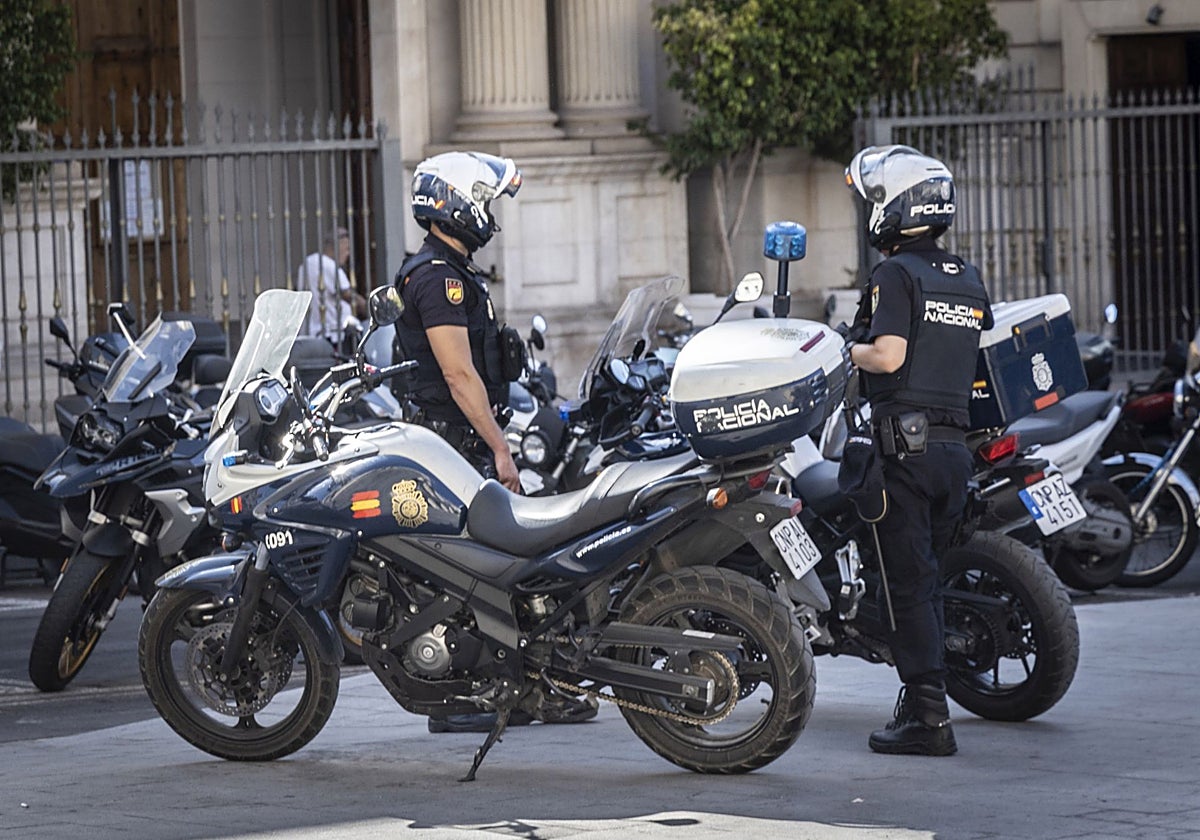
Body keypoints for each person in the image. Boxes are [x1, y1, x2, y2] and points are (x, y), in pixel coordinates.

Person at [393, 150, 598, 733]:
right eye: (482, 201)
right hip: (452, 445)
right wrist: (501, 450)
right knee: (480, 569)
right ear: (451, 204)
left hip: (464, 440)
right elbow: (458, 376)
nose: (487, 214)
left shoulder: (454, 274)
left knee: (509, 565)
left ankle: (531, 684)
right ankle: (470, 695)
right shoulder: (435, 279)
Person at [843, 144, 993, 756]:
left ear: (895, 209)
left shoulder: (895, 275)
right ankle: (919, 702)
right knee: (927, 578)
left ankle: (929, 719)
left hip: (904, 451)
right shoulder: (967, 277)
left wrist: (838, 347)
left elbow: (890, 356)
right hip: (955, 453)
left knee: (906, 584)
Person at [297, 226, 366, 340]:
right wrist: (370, 308)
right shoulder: (328, 265)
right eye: (347, 248)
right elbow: (348, 296)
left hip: (310, 334)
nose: (348, 254)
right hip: (333, 334)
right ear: (338, 245)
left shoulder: (307, 263)